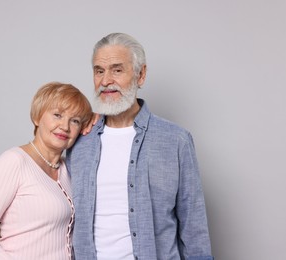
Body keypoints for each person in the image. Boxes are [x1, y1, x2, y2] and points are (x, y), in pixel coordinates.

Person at [66, 33, 214, 260]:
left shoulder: (176, 140)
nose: (106, 81)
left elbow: (193, 227)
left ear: (141, 75)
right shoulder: (77, 141)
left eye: (117, 70)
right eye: (99, 71)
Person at [0, 82, 93, 260]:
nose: (65, 126)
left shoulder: (67, 169)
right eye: (57, 115)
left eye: (75, 120)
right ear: (37, 117)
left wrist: (100, 120)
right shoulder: (14, 162)